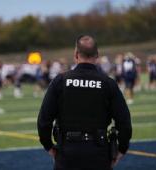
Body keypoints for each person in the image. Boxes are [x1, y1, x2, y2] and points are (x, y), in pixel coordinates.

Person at [37, 35, 132, 170]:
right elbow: (124, 121)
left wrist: (48, 146)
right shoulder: (108, 83)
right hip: (99, 153)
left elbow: (44, 120)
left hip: (67, 153)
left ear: (76, 54)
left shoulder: (60, 81)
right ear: (97, 55)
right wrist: (122, 149)